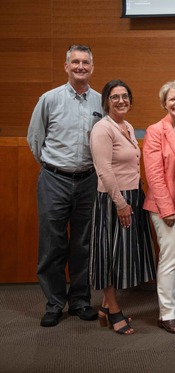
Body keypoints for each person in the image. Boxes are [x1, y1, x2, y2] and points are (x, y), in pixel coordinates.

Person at [27, 44, 102, 327]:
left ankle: (80, 301)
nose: (80, 66)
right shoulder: (49, 99)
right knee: (52, 244)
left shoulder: (100, 101)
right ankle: (54, 303)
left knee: (83, 244)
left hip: (88, 181)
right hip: (54, 179)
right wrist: (54, 166)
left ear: (92, 67)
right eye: (75, 62)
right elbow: (35, 139)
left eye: (85, 62)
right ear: (66, 66)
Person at [89, 79, 156, 335]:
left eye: (125, 96)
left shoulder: (126, 125)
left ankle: (105, 307)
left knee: (122, 255)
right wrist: (120, 203)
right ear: (106, 100)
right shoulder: (102, 129)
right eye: (115, 96)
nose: (121, 101)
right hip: (113, 200)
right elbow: (103, 169)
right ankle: (114, 308)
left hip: (131, 197)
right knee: (109, 254)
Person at [143, 80, 175, 334]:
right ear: (164, 103)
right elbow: (153, 174)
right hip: (165, 206)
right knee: (170, 259)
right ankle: (165, 314)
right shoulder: (155, 130)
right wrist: (167, 209)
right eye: (171, 99)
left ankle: (174, 306)